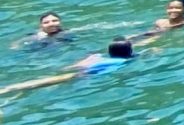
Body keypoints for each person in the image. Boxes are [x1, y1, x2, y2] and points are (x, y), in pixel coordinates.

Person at [0, 38, 141, 98]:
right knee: (46, 83)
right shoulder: (123, 62)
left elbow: (90, 59)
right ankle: (10, 89)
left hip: (82, 70)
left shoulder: (103, 57)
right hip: (84, 75)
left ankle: (10, 88)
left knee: (46, 81)